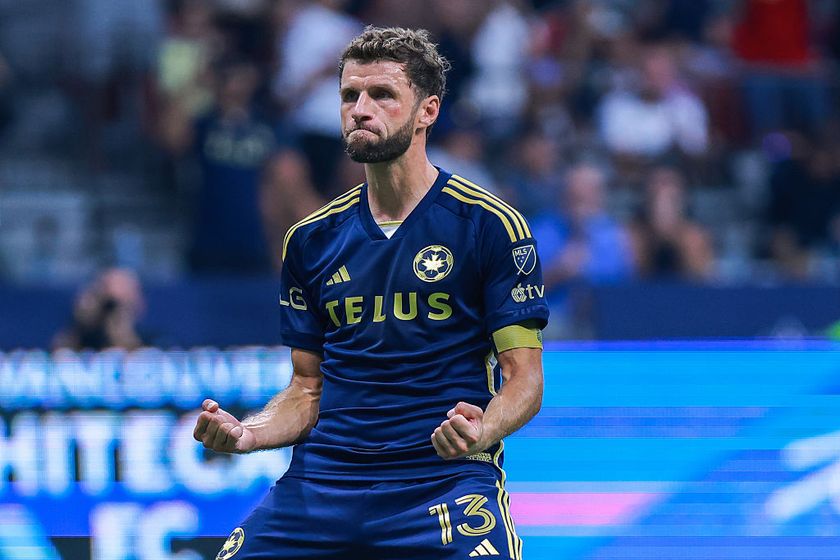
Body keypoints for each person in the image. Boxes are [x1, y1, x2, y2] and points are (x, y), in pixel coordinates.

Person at [193, 26, 549, 560]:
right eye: (349, 95)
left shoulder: (490, 226)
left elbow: (525, 380)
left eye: (381, 94)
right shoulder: (310, 240)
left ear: (427, 111)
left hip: (441, 485)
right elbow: (306, 390)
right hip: (321, 488)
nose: (360, 109)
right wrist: (246, 433)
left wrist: (482, 428)